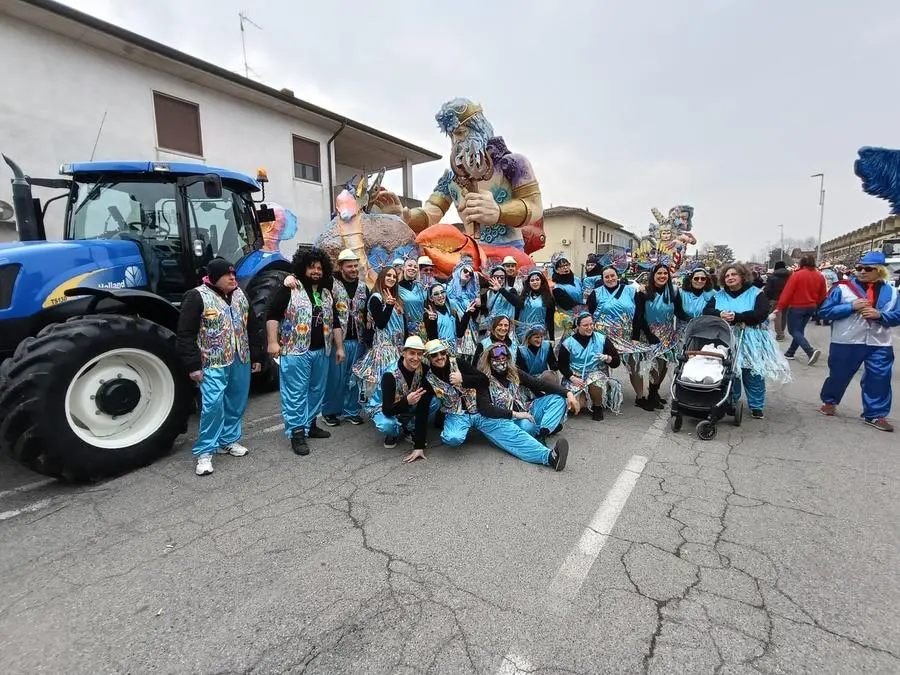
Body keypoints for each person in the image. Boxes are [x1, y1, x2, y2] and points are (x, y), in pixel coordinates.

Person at [177, 258, 264, 476]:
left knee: (236, 402)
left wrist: (257, 355)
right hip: (211, 362)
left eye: (234, 275)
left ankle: (228, 440)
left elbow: (252, 326)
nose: (233, 278)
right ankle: (205, 452)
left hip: (240, 358)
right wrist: (193, 365)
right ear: (215, 278)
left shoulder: (240, 295)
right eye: (228, 275)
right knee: (213, 405)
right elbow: (185, 334)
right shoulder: (196, 296)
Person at [267, 247, 344, 455]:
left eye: (319, 268)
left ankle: (309, 425)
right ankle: (297, 433)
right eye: (312, 268)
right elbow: (272, 315)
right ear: (303, 268)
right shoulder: (291, 288)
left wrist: (339, 347)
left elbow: (335, 321)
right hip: (295, 351)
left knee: (316, 390)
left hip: (321, 351)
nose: (316, 271)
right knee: (295, 394)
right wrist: (273, 342)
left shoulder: (326, 293)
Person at [818, 251, 900, 432]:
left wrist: (881, 315)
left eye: (867, 268)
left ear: (880, 271)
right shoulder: (842, 288)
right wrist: (850, 307)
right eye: (859, 268)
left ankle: (876, 414)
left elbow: (898, 316)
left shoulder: (893, 292)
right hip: (846, 340)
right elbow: (824, 312)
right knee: (839, 375)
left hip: (879, 342)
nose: (862, 272)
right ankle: (830, 401)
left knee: (880, 378)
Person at [703, 263, 791, 419]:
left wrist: (738, 317)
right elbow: (707, 311)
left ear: (742, 276)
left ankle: (756, 405)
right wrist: (720, 314)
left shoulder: (756, 293)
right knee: (730, 371)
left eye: (733, 274)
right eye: (727, 276)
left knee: (753, 372)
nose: (730, 278)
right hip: (727, 338)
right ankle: (731, 401)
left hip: (751, 337)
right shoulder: (718, 295)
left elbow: (761, 313)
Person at [472, 343, 571, 470]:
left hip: (524, 410)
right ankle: (549, 457)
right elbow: (485, 408)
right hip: (500, 419)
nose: (501, 362)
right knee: (523, 428)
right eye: (496, 359)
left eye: (504, 359)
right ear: (488, 361)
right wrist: (516, 415)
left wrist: (568, 393)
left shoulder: (513, 372)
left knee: (557, 399)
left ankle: (542, 431)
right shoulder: (481, 378)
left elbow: (538, 383)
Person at [632, 263, 690, 410]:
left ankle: (654, 392)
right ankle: (651, 395)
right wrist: (645, 335)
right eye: (659, 273)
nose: (662, 276)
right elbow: (638, 316)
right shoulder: (643, 292)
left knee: (664, 365)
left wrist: (695, 318)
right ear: (653, 275)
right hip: (649, 333)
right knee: (655, 365)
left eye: (665, 273)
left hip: (668, 333)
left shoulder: (674, 292)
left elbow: (679, 312)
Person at [321, 249, 369, 427]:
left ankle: (352, 411)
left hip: (359, 340)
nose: (354, 269)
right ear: (341, 267)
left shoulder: (364, 287)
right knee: (335, 378)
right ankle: (330, 411)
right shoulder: (330, 284)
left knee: (354, 378)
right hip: (336, 341)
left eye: (356, 266)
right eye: (349, 266)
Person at [366, 336, 434, 460]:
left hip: (408, 403)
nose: (416, 358)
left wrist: (419, 444)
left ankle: (411, 428)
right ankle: (393, 432)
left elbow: (425, 402)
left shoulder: (423, 368)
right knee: (387, 424)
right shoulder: (390, 375)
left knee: (434, 401)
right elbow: (387, 409)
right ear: (403, 353)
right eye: (412, 353)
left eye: (419, 354)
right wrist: (406, 401)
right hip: (385, 407)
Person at [352, 266, 406, 400]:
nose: (392, 278)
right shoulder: (376, 297)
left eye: (394, 276)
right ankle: (381, 412)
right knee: (384, 379)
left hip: (397, 347)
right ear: (381, 277)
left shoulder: (396, 299)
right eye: (388, 275)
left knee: (397, 380)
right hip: (385, 347)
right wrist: (388, 306)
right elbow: (381, 323)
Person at [557, 312, 623, 420]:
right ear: (578, 326)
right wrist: (572, 378)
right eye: (585, 325)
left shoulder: (602, 339)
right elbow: (561, 365)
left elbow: (616, 362)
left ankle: (597, 406)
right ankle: (585, 399)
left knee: (595, 382)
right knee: (575, 407)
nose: (589, 327)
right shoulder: (568, 343)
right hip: (575, 377)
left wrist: (607, 358)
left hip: (596, 374)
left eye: (591, 324)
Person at [775, 255, 825, 365]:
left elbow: (787, 292)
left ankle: (810, 351)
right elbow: (823, 294)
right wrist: (815, 303)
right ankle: (790, 352)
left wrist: (779, 307)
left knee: (793, 331)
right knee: (799, 330)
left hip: (797, 307)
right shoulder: (820, 276)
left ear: (801, 263)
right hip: (811, 307)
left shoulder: (797, 275)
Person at [516, 270, 555, 342]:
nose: (535, 282)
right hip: (522, 334)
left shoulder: (549, 298)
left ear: (542, 281)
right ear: (529, 283)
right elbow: (516, 315)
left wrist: (552, 339)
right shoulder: (522, 297)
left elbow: (550, 320)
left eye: (537, 280)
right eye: (532, 280)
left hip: (539, 333)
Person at [763, 260, 791, 341]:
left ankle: (779, 335)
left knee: (777, 316)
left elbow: (767, 289)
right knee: (784, 316)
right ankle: (782, 331)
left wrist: (767, 298)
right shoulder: (790, 276)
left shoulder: (772, 277)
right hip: (787, 299)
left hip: (775, 299)